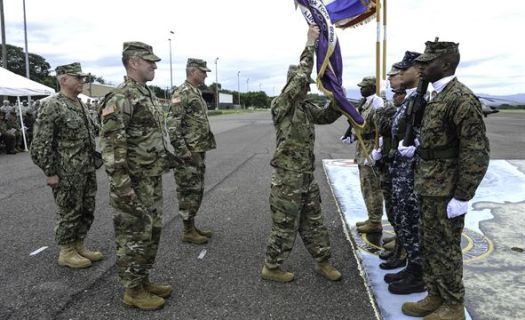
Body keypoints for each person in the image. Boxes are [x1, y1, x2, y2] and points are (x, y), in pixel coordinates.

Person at [400, 40, 490, 320]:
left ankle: (453, 305)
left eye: (429, 62)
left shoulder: (460, 98)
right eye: (422, 62)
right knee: (429, 244)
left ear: (447, 65)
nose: (423, 66)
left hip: (447, 189)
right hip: (428, 184)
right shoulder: (435, 96)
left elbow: (476, 151)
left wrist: (463, 195)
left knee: (446, 248)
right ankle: (435, 294)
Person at [261, 25, 342, 283]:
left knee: (314, 221)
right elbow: (300, 77)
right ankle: (272, 267)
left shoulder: (306, 108)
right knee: (285, 226)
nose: (307, 88)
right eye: (304, 85)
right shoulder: (281, 106)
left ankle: (323, 262)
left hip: (306, 177)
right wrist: (310, 43)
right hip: (287, 180)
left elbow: (327, 116)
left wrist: (339, 101)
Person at [99, 41, 175, 310]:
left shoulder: (145, 93)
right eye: (149, 61)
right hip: (132, 182)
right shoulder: (121, 97)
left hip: (150, 177)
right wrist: (122, 184)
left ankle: (142, 280)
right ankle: (132, 291)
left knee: (151, 232)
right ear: (133, 62)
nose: (154, 65)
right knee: (133, 235)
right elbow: (111, 145)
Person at [30, 62, 103, 269]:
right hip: (66, 171)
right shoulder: (52, 104)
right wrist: (50, 172)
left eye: (82, 78)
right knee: (69, 210)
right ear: (63, 79)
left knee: (87, 209)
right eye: (77, 78)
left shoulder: (78, 103)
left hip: (86, 168)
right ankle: (66, 251)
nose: (82, 81)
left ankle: (79, 244)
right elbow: (40, 144)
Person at [381, 51, 426, 293]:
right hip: (401, 173)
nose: (395, 76)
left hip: (412, 175)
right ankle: (411, 266)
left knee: (413, 224)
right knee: (404, 221)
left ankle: (418, 274)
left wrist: (415, 148)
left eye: (401, 70)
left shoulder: (422, 99)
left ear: (417, 71)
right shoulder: (410, 100)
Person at [167, 58, 216, 245]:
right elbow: (172, 124)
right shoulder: (182, 93)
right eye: (203, 71)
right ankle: (187, 231)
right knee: (188, 190)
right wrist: (182, 150)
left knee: (196, 189)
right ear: (193, 71)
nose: (205, 75)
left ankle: (192, 225)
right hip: (188, 152)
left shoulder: (195, 92)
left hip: (197, 150)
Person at [352, 76, 385, 234]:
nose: (361, 89)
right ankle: (371, 217)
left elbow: (381, 130)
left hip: (370, 147)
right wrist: (351, 136)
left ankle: (375, 221)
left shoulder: (377, 103)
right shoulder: (364, 104)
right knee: (365, 186)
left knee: (373, 187)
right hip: (362, 146)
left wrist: (376, 151)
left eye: (363, 86)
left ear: (372, 87)